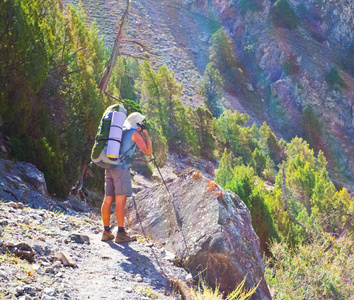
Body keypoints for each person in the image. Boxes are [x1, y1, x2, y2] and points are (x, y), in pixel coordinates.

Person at [101, 112, 152, 243]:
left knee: (107, 199)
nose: (144, 124)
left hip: (110, 165)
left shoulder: (121, 131)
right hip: (121, 168)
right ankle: (121, 234)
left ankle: (106, 232)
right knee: (120, 202)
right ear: (138, 123)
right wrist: (145, 133)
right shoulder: (134, 134)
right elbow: (148, 151)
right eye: (143, 122)